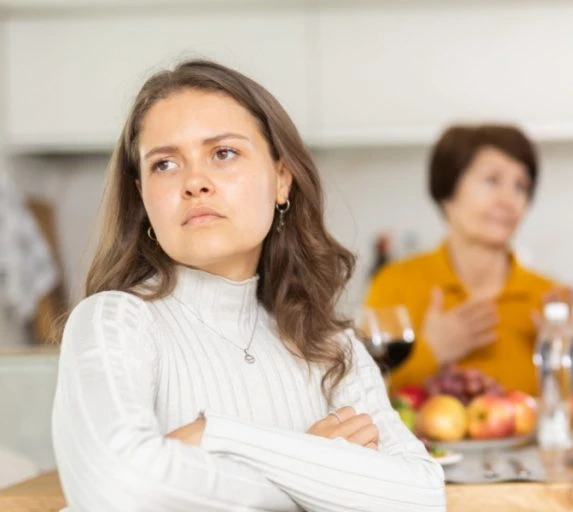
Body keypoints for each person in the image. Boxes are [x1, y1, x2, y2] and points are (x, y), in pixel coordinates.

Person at [50, 60, 445, 511]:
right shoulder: (111, 323)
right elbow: (122, 487)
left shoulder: (330, 347)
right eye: (165, 163)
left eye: (223, 153)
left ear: (281, 178)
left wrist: (213, 435)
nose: (194, 182)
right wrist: (316, 467)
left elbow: (418, 496)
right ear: (142, 197)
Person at [364, 124, 558, 395]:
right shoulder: (394, 284)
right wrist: (431, 353)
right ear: (447, 191)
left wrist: (565, 363)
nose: (509, 200)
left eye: (521, 186)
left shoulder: (547, 297)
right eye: (492, 180)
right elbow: (359, 396)